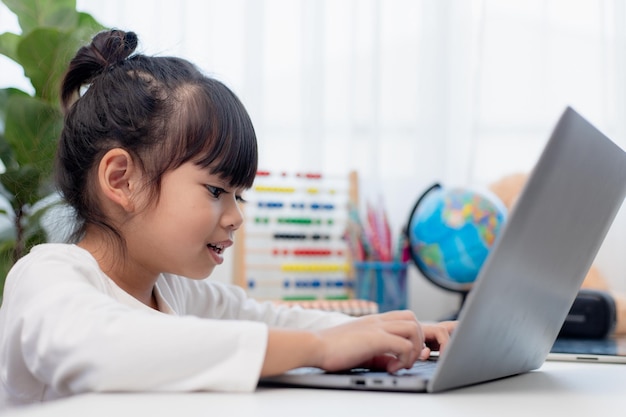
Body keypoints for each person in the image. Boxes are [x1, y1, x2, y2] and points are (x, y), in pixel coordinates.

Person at [0, 29, 455, 408]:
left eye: (239, 196)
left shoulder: (175, 291)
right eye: (217, 191)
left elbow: (268, 321)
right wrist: (321, 349)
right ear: (122, 180)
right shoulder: (46, 278)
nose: (236, 216)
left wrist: (386, 334)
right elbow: (100, 344)